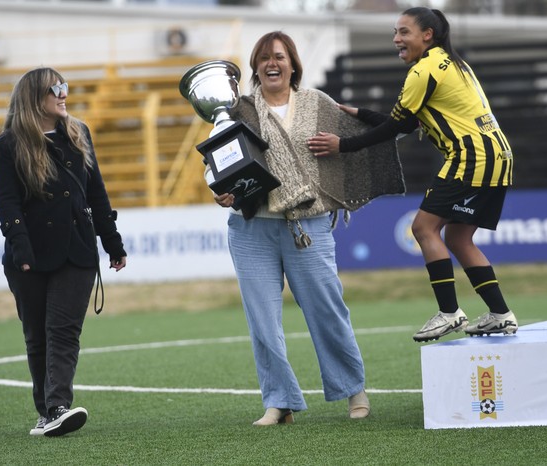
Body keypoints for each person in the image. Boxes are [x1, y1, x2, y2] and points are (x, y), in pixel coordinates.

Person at [209, 31, 407, 425]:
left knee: (328, 311)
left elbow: (369, 134)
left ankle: (354, 391)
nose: (272, 63)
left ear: (293, 64)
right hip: (251, 229)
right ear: (255, 67)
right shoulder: (237, 111)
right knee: (262, 320)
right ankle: (279, 402)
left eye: (279, 56)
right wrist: (220, 190)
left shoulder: (318, 103)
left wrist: (348, 133)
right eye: (264, 57)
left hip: (309, 226)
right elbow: (216, 162)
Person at [307, 7, 518, 342]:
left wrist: (342, 145)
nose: (396, 39)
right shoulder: (453, 63)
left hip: (471, 156)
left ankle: (450, 313)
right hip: (498, 156)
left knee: (422, 227)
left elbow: (396, 128)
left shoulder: (424, 70)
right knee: (458, 238)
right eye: (395, 32)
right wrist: (360, 113)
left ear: (427, 35)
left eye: (404, 32)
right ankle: (501, 314)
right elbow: (407, 124)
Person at [0, 67, 127, 436]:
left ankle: (57, 407)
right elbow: (6, 203)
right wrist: (20, 249)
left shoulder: (78, 132)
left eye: (64, 86)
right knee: (37, 336)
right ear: (35, 97)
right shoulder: (6, 145)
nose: (64, 93)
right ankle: (46, 412)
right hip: (29, 255)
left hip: (77, 250)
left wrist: (112, 242)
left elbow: (96, 192)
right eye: (56, 88)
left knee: (63, 331)